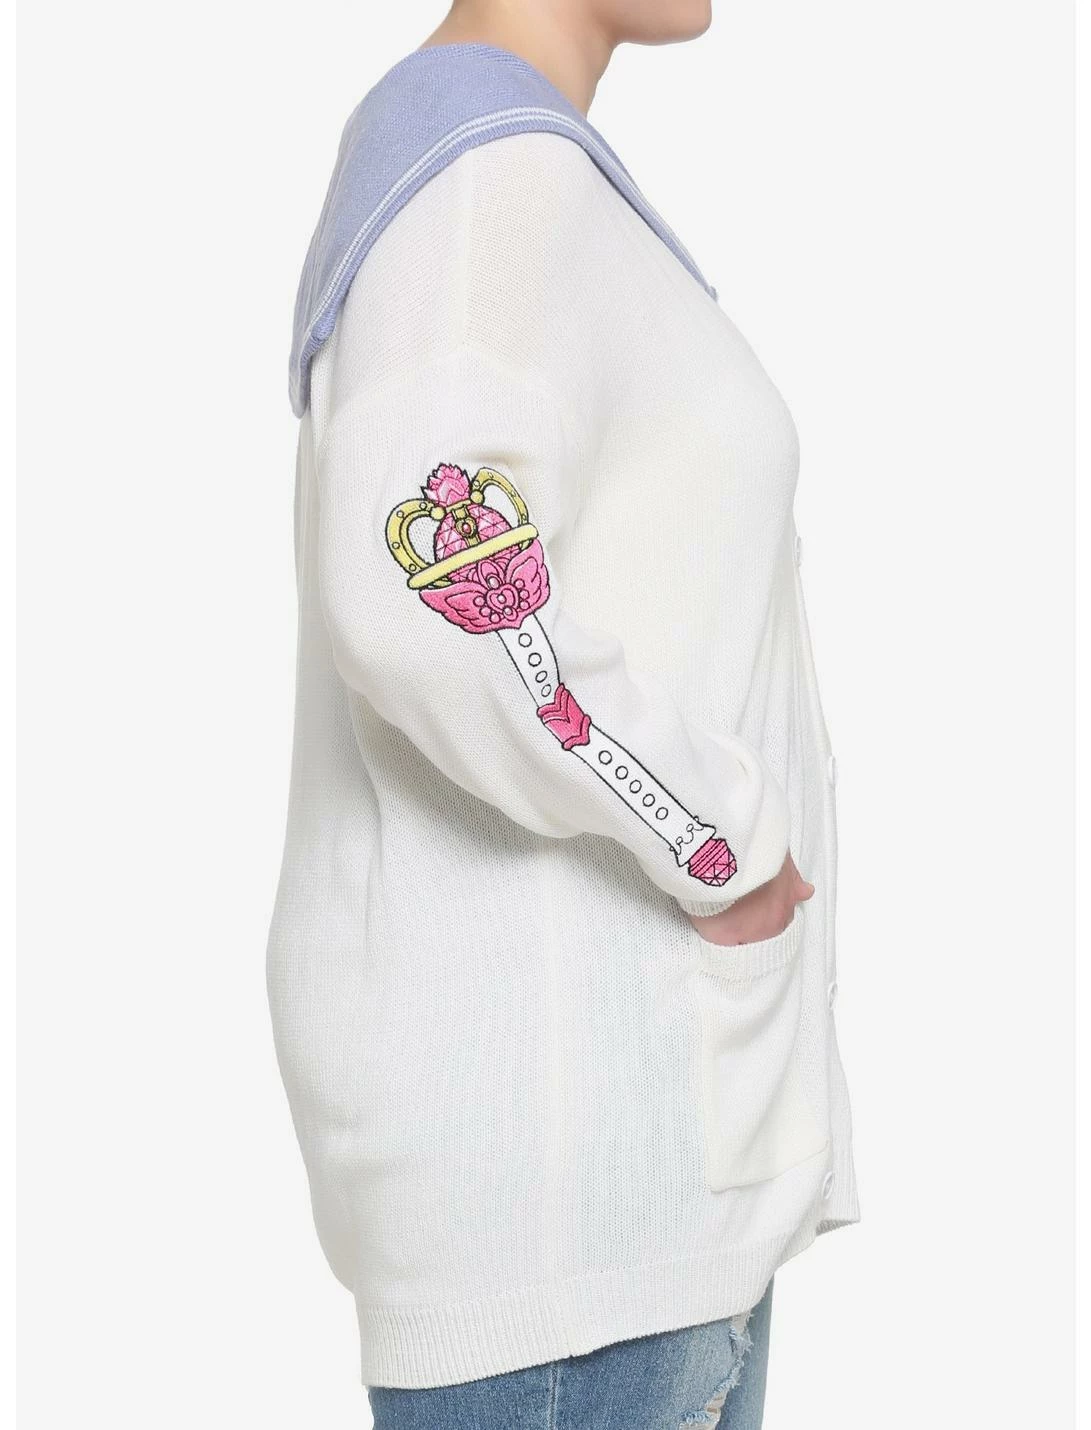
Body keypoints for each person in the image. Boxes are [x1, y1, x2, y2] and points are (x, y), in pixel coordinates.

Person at [268, 2, 859, 1424]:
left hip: (638, 1197)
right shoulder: (482, 183)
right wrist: (721, 842)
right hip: (564, 1218)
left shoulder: (534, 184)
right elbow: (428, 588)